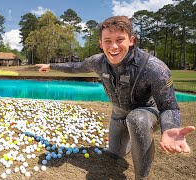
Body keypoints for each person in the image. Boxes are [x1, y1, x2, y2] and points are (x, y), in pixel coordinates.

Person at [36, 16, 195, 179]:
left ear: (131, 40)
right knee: (115, 154)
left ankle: (141, 177)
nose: (113, 46)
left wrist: (169, 127)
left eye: (120, 39)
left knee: (136, 120)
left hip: (147, 112)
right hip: (118, 114)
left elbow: (168, 106)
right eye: (107, 41)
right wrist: (51, 66)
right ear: (100, 43)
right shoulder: (97, 61)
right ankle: (132, 140)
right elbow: (76, 67)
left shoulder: (154, 68)